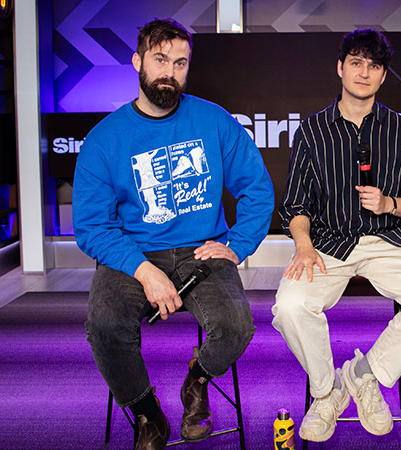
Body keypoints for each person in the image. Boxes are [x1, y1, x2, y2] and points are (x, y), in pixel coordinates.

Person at [72, 18, 274, 450]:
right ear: (137, 61)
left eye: (180, 62)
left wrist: (236, 246)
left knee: (237, 325)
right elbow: (91, 227)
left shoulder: (214, 121)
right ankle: (148, 415)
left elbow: (257, 190)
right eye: (160, 59)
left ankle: (196, 381)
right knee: (104, 326)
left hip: (202, 250)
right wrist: (144, 270)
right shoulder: (104, 139)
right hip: (134, 251)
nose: (170, 71)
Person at [272, 29, 401, 442]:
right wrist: (302, 246)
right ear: (340, 68)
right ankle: (327, 391)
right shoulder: (312, 131)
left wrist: (390, 203)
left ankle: (363, 374)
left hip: (389, 241)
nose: (364, 72)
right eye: (356, 63)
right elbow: (295, 206)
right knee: (290, 306)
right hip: (328, 242)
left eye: (373, 66)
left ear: (383, 76)